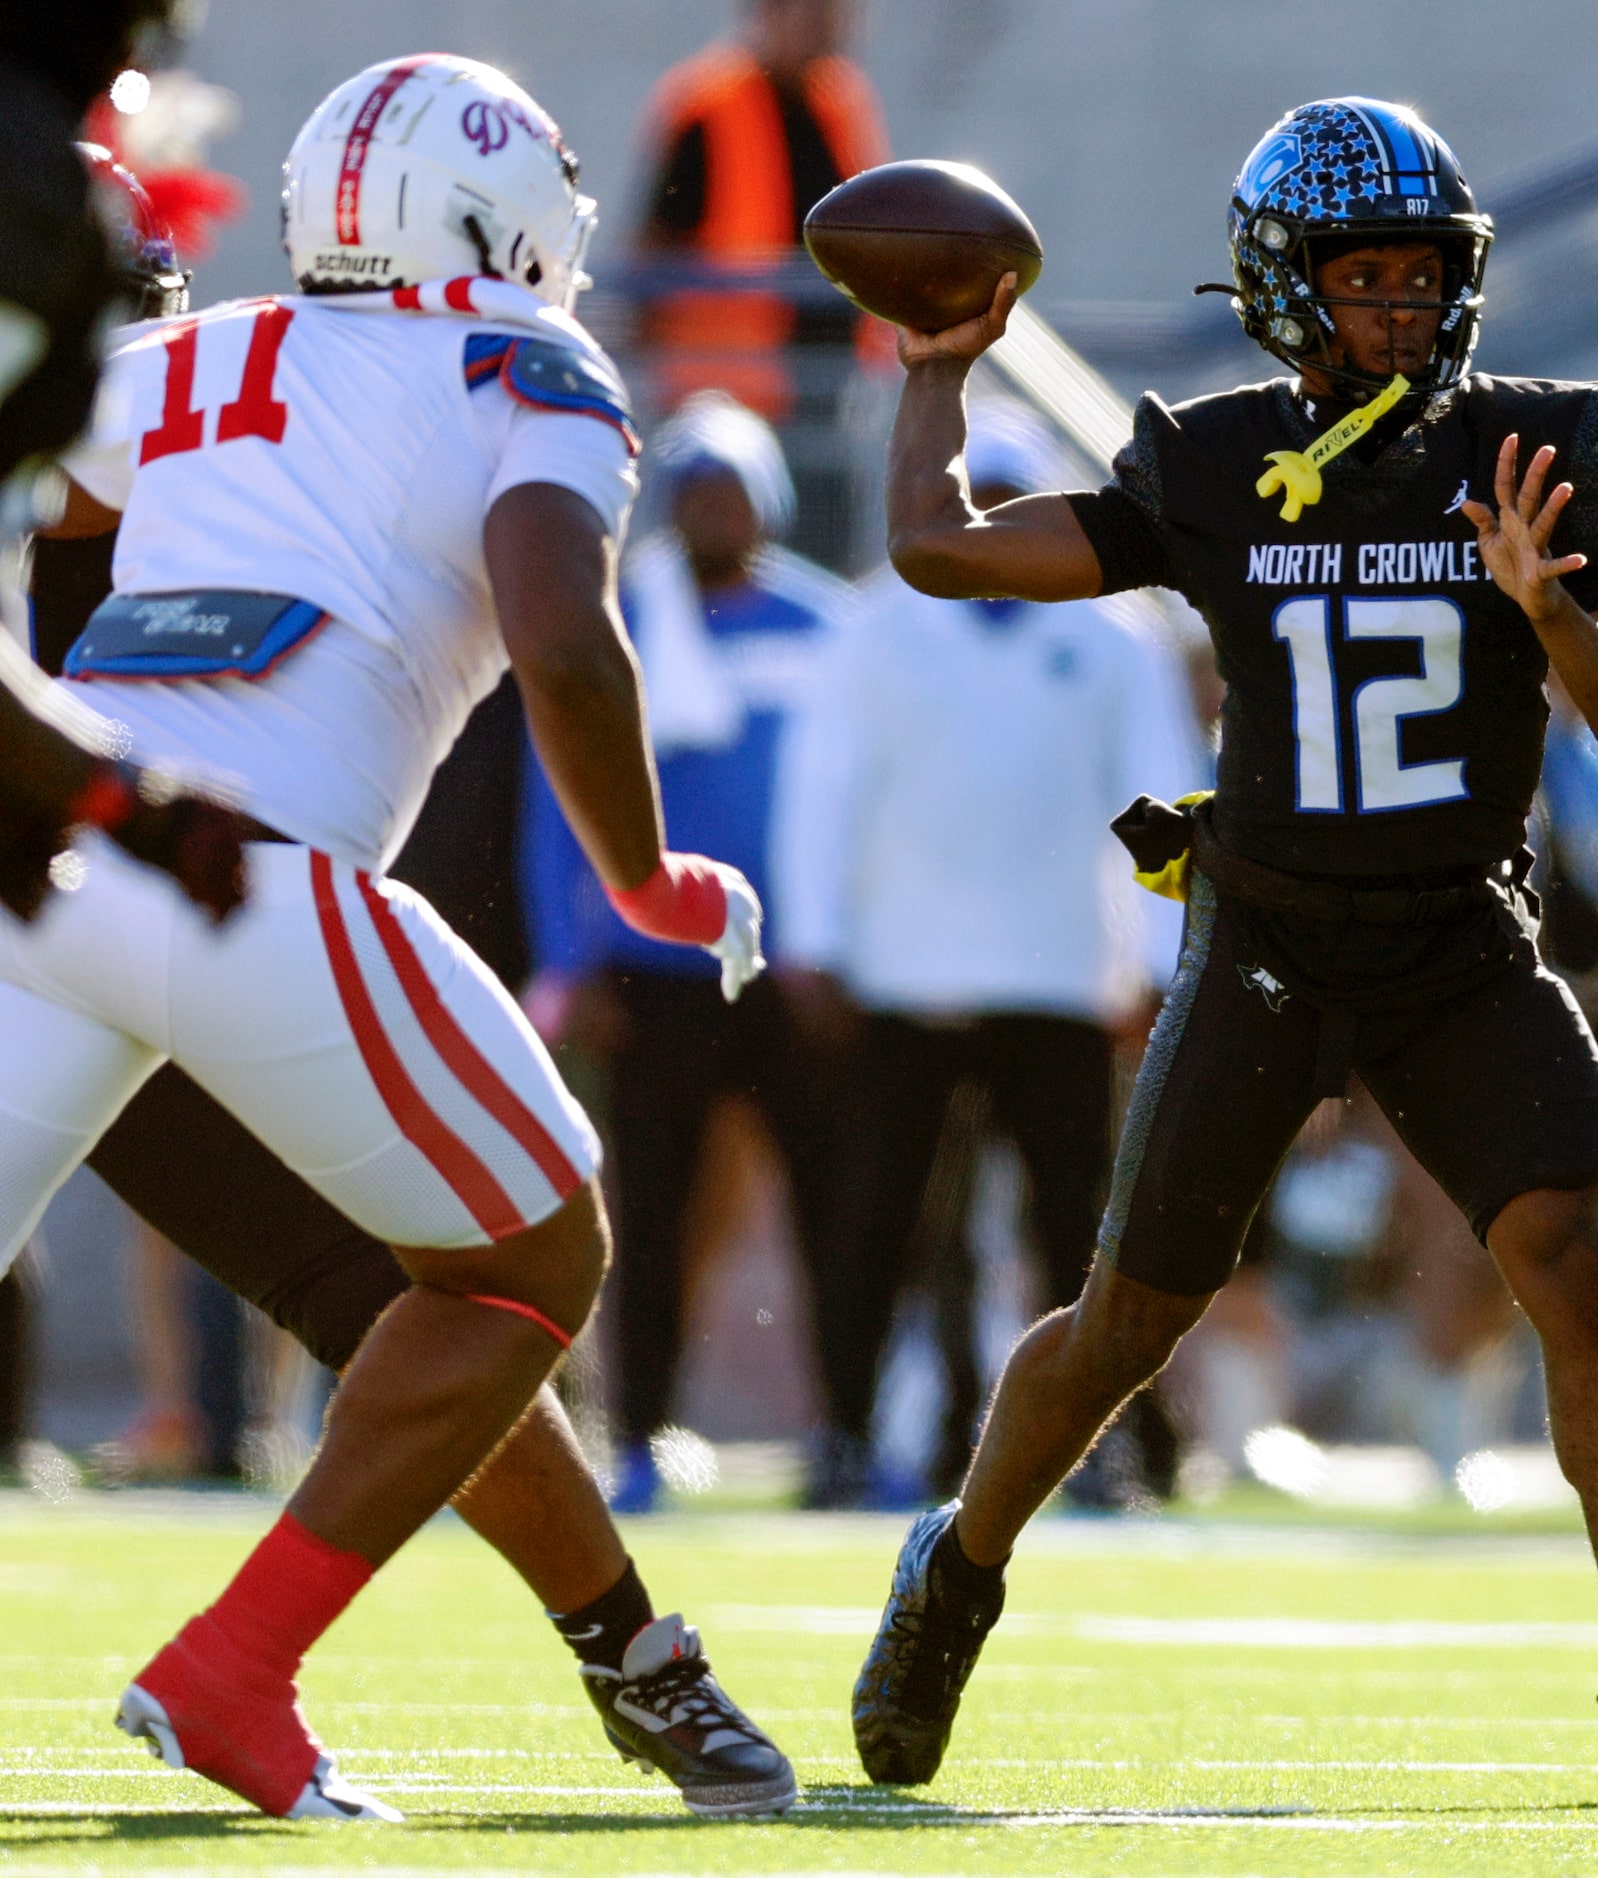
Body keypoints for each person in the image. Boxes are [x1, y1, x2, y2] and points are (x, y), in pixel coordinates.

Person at [842, 97, 1598, 1808]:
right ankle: (956, 1566)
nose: (1404, 307)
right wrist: (935, 366)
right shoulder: (1212, 456)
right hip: (1266, 940)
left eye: (1427, 274)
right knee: (1128, 1323)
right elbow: (936, 546)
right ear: (1284, 286)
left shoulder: (1529, 448)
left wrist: (1551, 611)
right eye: (1369, 276)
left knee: (1569, 1246)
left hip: (1460, 938)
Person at [13, 56, 776, 1821]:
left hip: (46, 889)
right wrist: (651, 881)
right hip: (248, 873)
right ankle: (235, 1667)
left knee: (409, 1283)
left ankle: (604, 1651)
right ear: (507, 212)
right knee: (529, 1261)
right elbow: (563, 634)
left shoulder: (189, 357)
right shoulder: (532, 364)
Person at [771, 400, 1202, 1505]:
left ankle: (1109, 1445)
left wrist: (1160, 959)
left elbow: (1156, 799)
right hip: (903, 977)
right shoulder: (873, 626)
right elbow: (820, 792)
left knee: (1078, 1231)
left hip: (1060, 977)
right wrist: (812, 945)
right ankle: (846, 1435)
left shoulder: (1115, 636)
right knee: (875, 1223)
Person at [521, 390, 851, 1515]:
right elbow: (551, 808)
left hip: (793, 971)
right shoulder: (624, 625)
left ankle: (846, 1432)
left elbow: (853, 802)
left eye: (735, 490)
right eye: (696, 491)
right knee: (646, 1217)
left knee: (837, 1205)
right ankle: (640, 1432)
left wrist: (838, 947)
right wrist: (574, 957)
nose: (716, 512)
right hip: (653, 973)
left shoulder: (825, 627)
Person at [637, 0, 887, 418]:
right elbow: (653, 252)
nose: (831, 22)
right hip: (721, 396)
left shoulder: (842, 101)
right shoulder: (707, 105)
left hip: (826, 389)